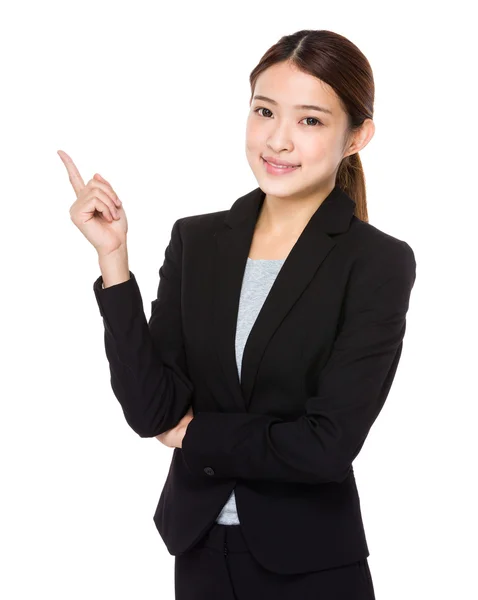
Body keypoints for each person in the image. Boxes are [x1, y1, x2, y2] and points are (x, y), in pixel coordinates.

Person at [60, 28, 416, 600]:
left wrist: (196, 435)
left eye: (310, 120)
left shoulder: (375, 262)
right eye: (264, 111)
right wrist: (114, 262)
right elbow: (152, 409)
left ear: (357, 137)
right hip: (199, 552)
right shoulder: (198, 241)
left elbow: (326, 446)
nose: (277, 140)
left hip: (312, 568)